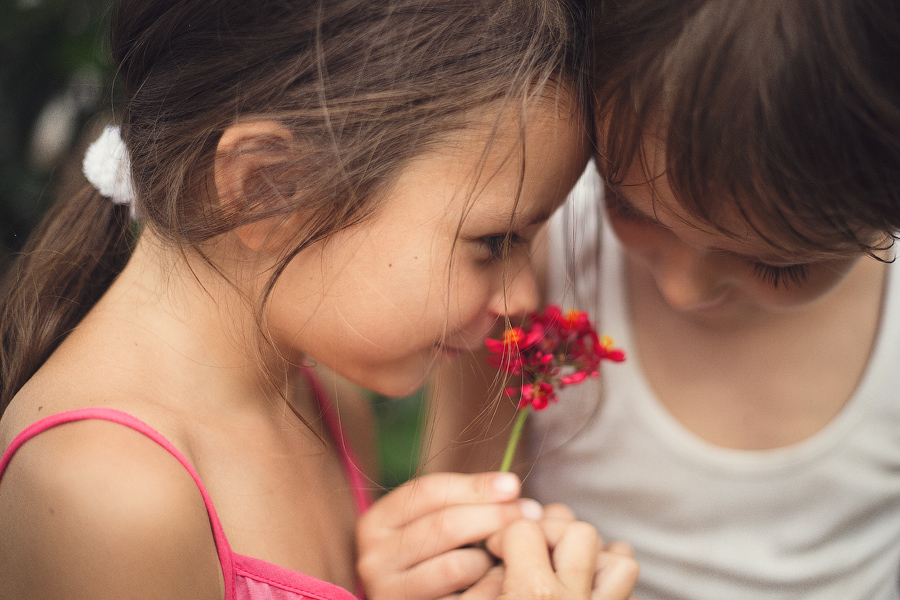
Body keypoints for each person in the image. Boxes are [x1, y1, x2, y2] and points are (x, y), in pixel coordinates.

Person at [0, 1, 641, 599]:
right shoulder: (108, 491)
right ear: (269, 189)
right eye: (494, 240)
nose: (522, 297)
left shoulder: (323, 398)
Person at [428, 0, 900, 598]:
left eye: (775, 265)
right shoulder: (531, 266)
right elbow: (456, 532)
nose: (682, 289)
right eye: (626, 204)